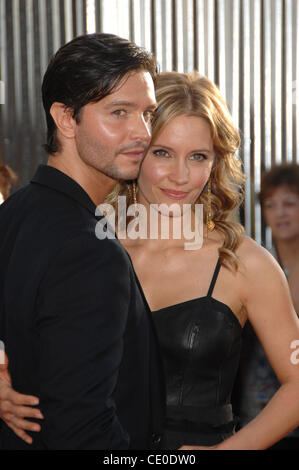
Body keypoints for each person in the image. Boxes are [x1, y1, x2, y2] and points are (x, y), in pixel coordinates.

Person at [2, 72, 299, 450]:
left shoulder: (244, 261)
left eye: (198, 156)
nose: (180, 175)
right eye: (162, 153)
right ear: (136, 148)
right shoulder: (85, 244)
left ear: (216, 162)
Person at [0, 33, 165, 450]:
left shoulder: (14, 212)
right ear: (66, 118)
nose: (142, 133)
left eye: (147, 113)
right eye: (119, 112)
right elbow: (82, 428)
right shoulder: (89, 251)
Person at [234, 163, 299, 449]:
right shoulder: (259, 264)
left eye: (289, 203)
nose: (280, 213)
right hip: (255, 401)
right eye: (271, 205)